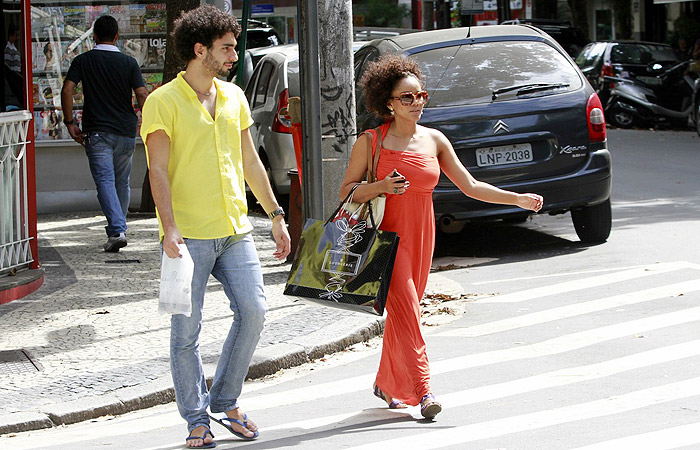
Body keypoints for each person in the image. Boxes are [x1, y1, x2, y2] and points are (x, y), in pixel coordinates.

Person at [339, 54, 543, 419]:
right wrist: (381, 186)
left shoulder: (434, 140)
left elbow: (471, 185)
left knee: (406, 312)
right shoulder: (370, 142)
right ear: (388, 103)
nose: (416, 103)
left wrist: (518, 199)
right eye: (407, 97)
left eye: (421, 96)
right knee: (407, 309)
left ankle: (386, 383)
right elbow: (347, 192)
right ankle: (423, 389)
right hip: (385, 239)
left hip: (423, 236)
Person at [140, 5, 291, 448]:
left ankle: (224, 400)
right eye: (226, 48)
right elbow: (158, 171)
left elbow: (249, 162)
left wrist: (276, 215)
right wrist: (168, 229)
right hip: (188, 236)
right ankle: (195, 418)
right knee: (186, 332)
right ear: (199, 49)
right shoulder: (162, 101)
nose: (233, 55)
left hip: (235, 230)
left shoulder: (233, 97)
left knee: (255, 311)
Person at [61, 15, 148, 252]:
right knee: (122, 182)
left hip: (97, 132)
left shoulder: (83, 60)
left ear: (95, 37)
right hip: (126, 131)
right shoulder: (129, 63)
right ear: (117, 37)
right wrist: (149, 120)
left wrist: (70, 122)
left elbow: (68, 89)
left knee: (105, 182)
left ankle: (117, 230)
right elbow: (141, 94)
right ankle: (119, 230)